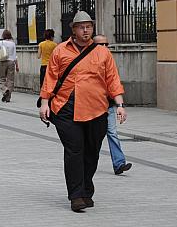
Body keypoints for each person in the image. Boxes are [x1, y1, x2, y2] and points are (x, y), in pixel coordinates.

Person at [39, 12, 126, 212]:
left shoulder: (102, 53)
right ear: (74, 30)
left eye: (89, 27)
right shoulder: (60, 51)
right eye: (82, 27)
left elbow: (113, 79)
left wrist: (120, 105)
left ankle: (86, 188)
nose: (86, 30)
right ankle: (76, 196)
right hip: (65, 109)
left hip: (96, 109)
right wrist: (45, 103)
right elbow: (50, 78)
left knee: (92, 151)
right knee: (74, 151)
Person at [93, 34, 132, 176]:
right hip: (92, 108)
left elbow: (115, 84)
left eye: (106, 44)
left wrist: (120, 105)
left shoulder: (109, 62)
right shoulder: (88, 62)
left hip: (108, 106)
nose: (104, 48)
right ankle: (88, 163)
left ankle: (119, 164)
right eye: (100, 45)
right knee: (94, 138)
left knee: (113, 134)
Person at [0, 29, 18, 102]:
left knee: (2, 79)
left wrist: (0, 56)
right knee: (10, 80)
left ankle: (5, 90)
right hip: (11, 62)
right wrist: (17, 65)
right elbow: (15, 56)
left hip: (2, 62)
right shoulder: (13, 43)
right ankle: (8, 98)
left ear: (3, 35)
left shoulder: (1, 42)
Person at [36, 29, 57, 107]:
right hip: (51, 66)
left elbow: (38, 56)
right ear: (52, 36)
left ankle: (42, 97)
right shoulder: (55, 45)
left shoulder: (41, 44)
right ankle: (50, 98)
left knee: (43, 83)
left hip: (43, 66)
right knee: (51, 83)